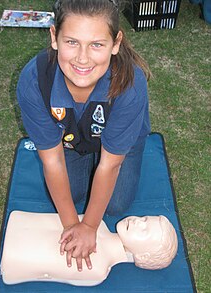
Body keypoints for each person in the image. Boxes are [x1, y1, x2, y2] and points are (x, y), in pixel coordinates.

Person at [17, 0, 151, 272]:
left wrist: (89, 226)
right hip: (70, 140)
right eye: (72, 42)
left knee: (116, 205)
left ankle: (124, 152)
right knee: (71, 196)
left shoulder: (130, 84)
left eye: (97, 44)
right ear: (54, 37)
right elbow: (52, 161)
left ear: (115, 43)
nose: (82, 58)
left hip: (116, 145)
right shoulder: (34, 80)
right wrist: (71, 226)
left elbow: (110, 163)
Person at [0, 211, 178, 286]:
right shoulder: (96, 223)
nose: (138, 222)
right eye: (144, 218)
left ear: (143, 256)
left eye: (144, 230)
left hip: (13, 260)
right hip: (19, 226)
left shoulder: (97, 269)